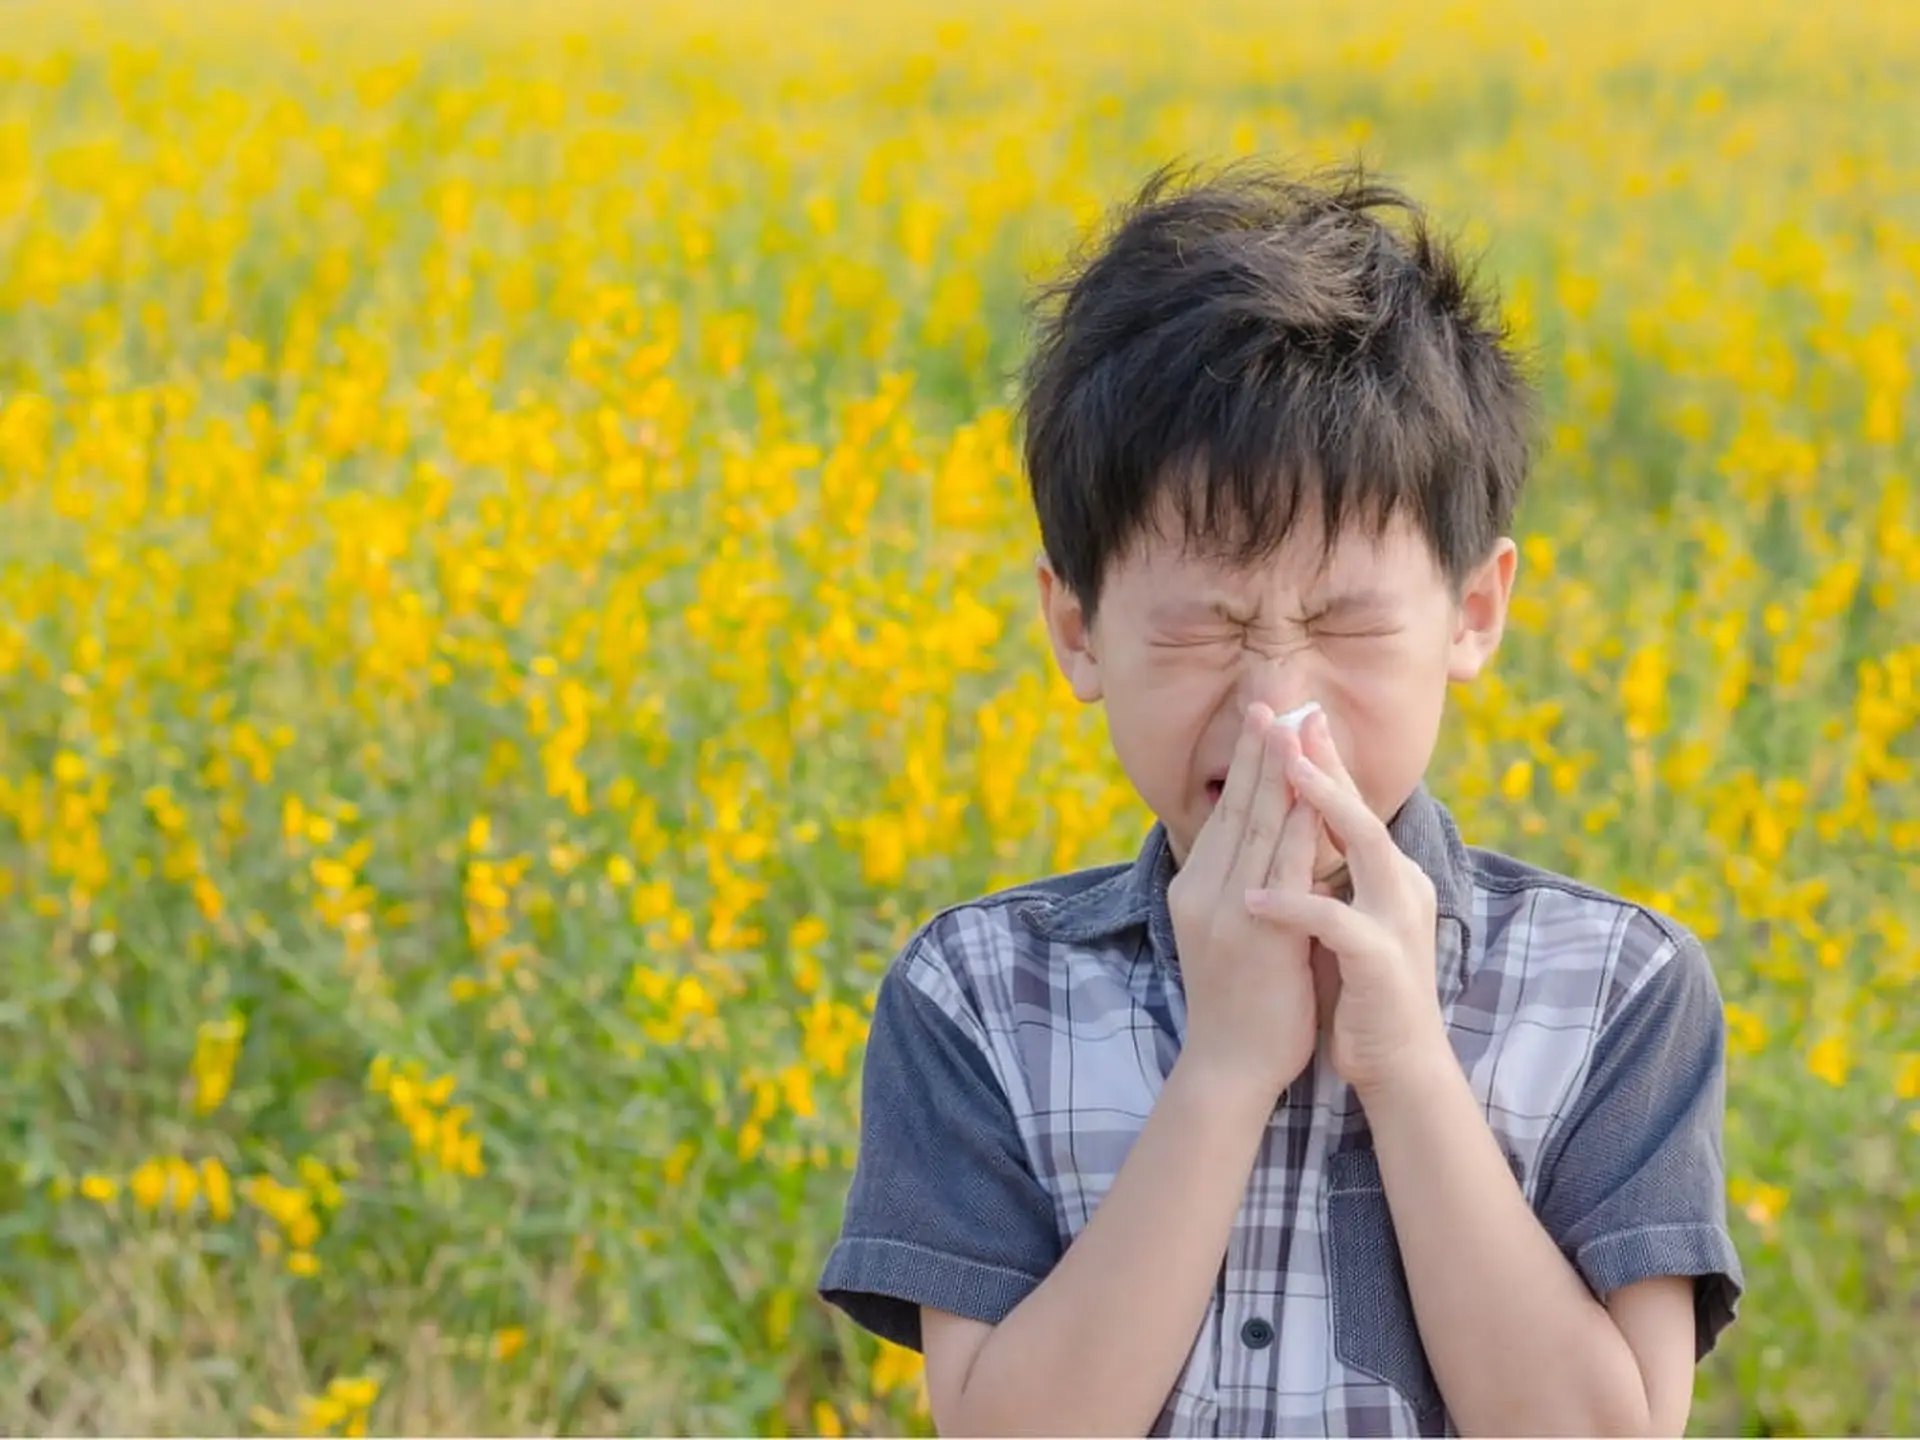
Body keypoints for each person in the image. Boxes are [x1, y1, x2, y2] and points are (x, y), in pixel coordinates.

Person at [816, 161, 1742, 1438]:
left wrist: (1408, 1067)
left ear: (1474, 613)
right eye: (1202, 628)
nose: (1277, 710)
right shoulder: (978, 995)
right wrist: (1226, 1068)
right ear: (1076, 630)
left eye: (1345, 624)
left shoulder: (1615, 992)